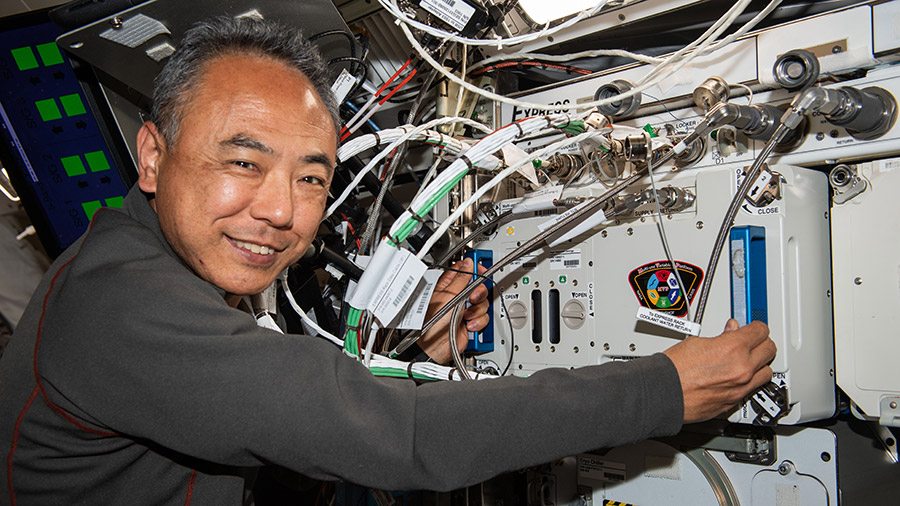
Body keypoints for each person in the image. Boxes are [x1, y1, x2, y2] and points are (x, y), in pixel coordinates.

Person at [0, 16, 776, 505]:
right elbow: (393, 437)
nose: (280, 209)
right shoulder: (121, 305)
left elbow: (287, 421)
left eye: (312, 177)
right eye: (243, 163)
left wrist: (417, 353)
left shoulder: (161, 265)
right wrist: (663, 388)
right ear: (153, 156)